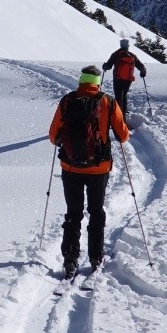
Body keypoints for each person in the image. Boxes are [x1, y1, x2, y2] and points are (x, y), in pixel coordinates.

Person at [48, 66, 130, 275]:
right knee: (96, 211)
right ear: (97, 82)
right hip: (99, 167)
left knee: (73, 214)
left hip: (70, 166)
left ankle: (70, 258)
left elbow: (52, 135)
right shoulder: (108, 101)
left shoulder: (68, 100)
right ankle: (95, 257)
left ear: (81, 80)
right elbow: (123, 135)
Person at [102, 39, 147, 115]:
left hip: (117, 78)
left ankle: (119, 114)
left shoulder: (116, 54)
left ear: (120, 45)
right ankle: (124, 110)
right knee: (124, 94)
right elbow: (141, 66)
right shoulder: (132, 55)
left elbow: (108, 66)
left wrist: (104, 66)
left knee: (118, 95)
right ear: (128, 46)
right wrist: (143, 72)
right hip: (128, 79)